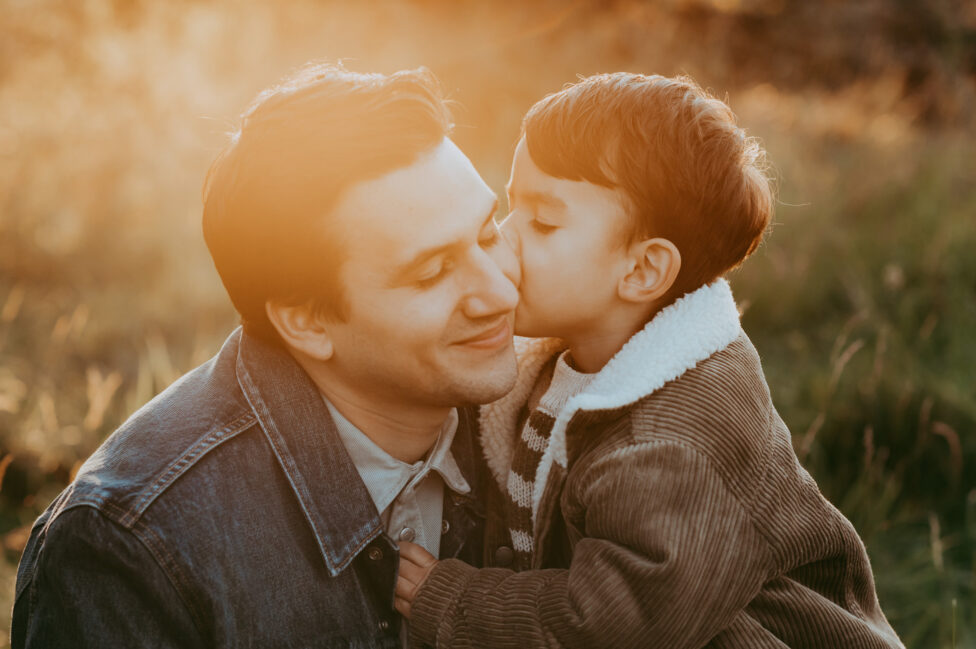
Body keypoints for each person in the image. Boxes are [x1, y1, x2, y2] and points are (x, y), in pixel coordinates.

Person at [11, 63, 520, 648]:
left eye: (487, 233)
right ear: (307, 321)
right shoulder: (131, 545)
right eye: (432, 273)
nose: (502, 294)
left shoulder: (571, 402)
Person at [396, 73, 904, 648]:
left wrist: (460, 602)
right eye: (513, 206)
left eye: (542, 221)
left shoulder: (675, 442)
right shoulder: (578, 358)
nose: (506, 238)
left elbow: (619, 625)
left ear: (641, 271)